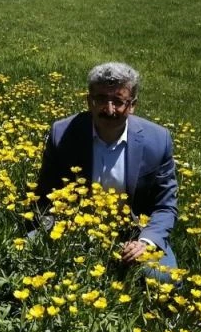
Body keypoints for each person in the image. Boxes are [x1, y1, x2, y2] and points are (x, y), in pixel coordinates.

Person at [36, 62, 178, 282]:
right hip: (73, 225)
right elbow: (46, 193)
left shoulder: (157, 140)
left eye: (118, 101)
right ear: (89, 101)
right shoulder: (62, 133)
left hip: (134, 232)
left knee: (162, 278)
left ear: (132, 105)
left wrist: (145, 242)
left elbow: (165, 206)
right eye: (101, 99)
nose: (109, 109)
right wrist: (56, 230)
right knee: (28, 256)